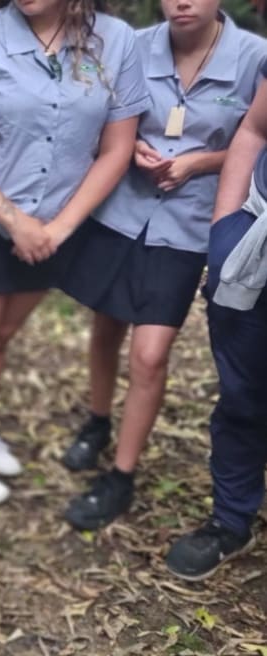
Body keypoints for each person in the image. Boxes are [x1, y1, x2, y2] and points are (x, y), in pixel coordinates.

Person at [0, 0, 150, 504]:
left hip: (56, 227)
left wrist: (62, 227)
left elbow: (117, 148)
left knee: (3, 335)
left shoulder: (116, 42)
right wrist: (14, 222)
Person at [57, 1, 267, 531]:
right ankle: (98, 420)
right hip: (122, 210)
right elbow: (103, 120)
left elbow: (255, 142)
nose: (183, 1)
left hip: (190, 223)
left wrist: (198, 162)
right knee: (106, 326)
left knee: (149, 355)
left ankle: (122, 475)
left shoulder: (253, 57)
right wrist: (132, 150)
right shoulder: (131, 45)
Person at [164, 69, 267, 581]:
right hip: (253, 249)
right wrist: (225, 232)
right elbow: (255, 129)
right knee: (243, 394)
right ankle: (231, 519)